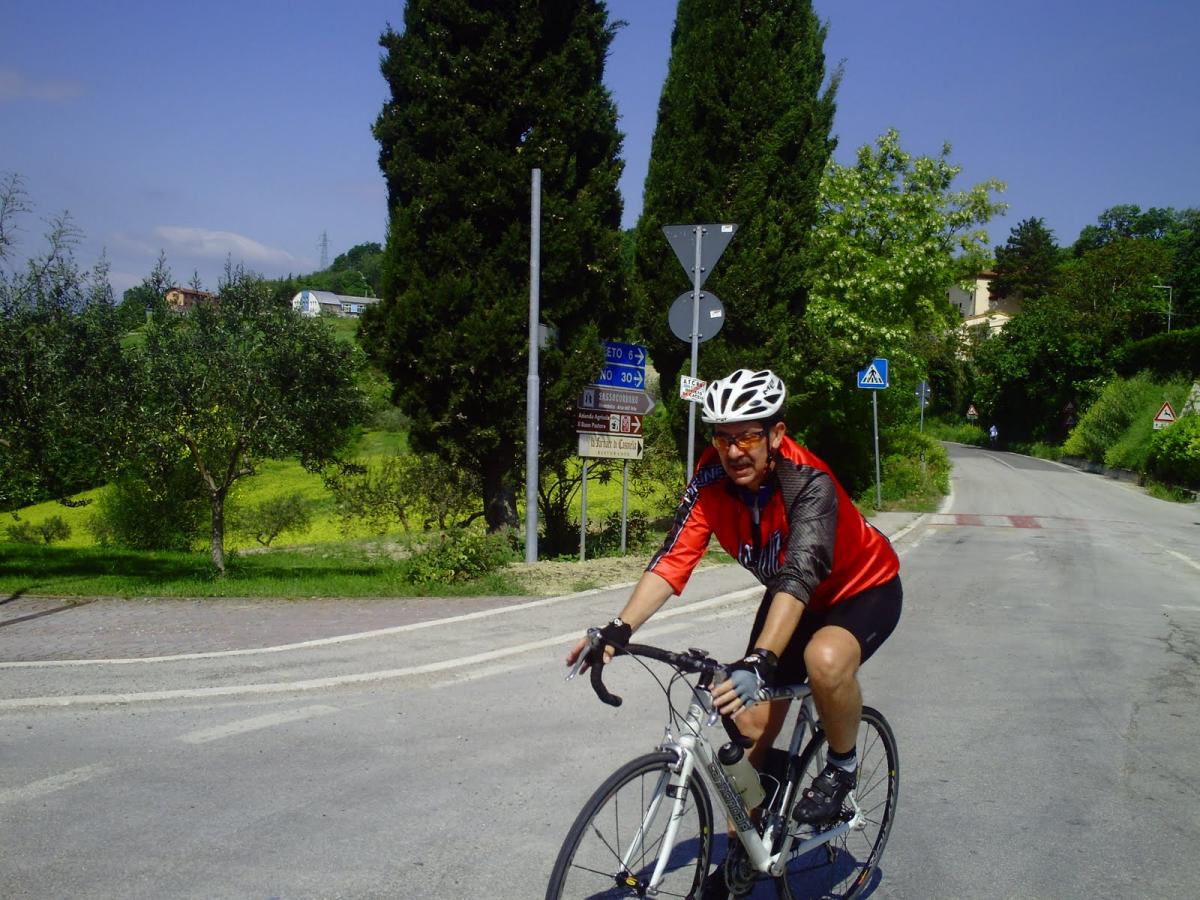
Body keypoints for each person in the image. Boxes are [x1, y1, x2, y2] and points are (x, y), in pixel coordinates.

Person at [566, 368, 903, 893]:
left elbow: (799, 574)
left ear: (776, 434)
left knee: (824, 660)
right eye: (722, 437)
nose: (733, 450)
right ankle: (745, 853)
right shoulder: (710, 479)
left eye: (747, 436)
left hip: (860, 590)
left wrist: (761, 660)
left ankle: (841, 766)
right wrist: (618, 628)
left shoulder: (808, 483)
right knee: (745, 732)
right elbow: (673, 558)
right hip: (791, 596)